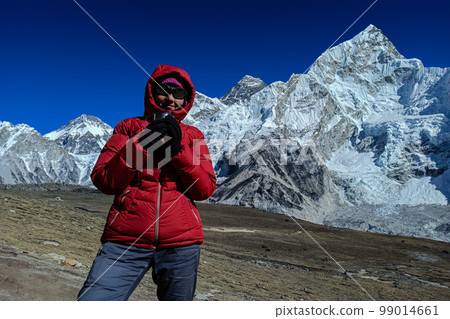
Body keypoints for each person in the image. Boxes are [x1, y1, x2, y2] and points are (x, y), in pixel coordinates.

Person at [77, 64, 217, 301]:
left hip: (181, 243)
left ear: (187, 100)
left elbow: (204, 189)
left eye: (179, 94)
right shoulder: (128, 127)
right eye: (164, 89)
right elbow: (104, 180)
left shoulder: (193, 136)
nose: (171, 99)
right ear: (152, 91)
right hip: (125, 240)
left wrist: (179, 150)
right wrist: (143, 145)